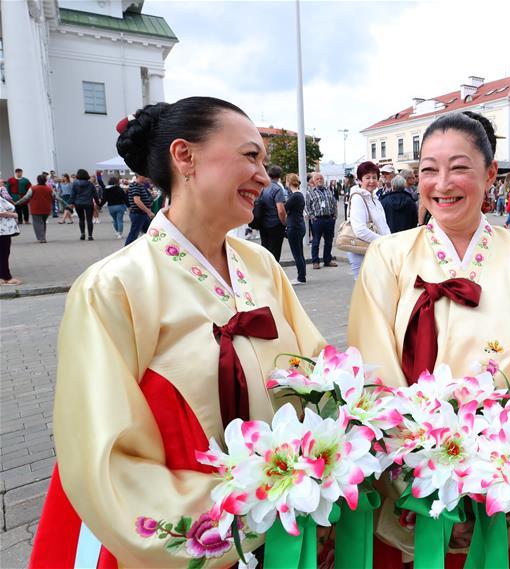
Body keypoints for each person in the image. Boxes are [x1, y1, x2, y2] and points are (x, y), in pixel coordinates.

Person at [29, 96, 326, 568]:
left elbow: (318, 368)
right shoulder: (113, 287)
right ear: (184, 156)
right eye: (250, 156)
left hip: (291, 522)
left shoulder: (261, 265)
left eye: (264, 162)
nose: (264, 177)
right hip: (218, 533)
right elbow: (107, 459)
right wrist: (238, 516)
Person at [348, 111, 510, 567]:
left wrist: (497, 467)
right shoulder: (389, 255)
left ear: (489, 175)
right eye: (429, 169)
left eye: (459, 167)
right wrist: (420, 467)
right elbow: (372, 364)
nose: (442, 183)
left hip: (502, 469)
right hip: (410, 470)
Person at [346, 161, 390, 280]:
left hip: (375, 249)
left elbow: (383, 225)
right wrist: (384, 241)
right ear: (360, 180)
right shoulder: (358, 198)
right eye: (367, 177)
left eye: (374, 177)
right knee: (366, 291)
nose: (371, 181)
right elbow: (359, 230)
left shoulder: (373, 198)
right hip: (362, 251)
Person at [307, 171, 338, 269]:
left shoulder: (329, 190)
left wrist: (334, 216)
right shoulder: (310, 193)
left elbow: (334, 203)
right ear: (314, 181)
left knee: (329, 241)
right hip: (318, 220)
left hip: (329, 219)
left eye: (321, 179)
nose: (319, 180)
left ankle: (327, 260)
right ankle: (315, 261)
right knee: (316, 241)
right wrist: (312, 217)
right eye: (317, 179)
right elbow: (307, 206)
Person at [258, 165, 287, 262]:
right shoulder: (277, 189)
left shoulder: (262, 187)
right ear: (279, 176)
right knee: (275, 253)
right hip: (275, 225)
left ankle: (265, 273)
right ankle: (273, 274)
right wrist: (284, 223)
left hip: (262, 223)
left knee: (265, 250)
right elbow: (281, 210)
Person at [284, 173, 307, 284]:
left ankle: (301, 277)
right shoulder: (299, 195)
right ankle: (302, 275)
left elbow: (284, 208)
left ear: (289, 182)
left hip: (294, 226)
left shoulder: (294, 196)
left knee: (297, 254)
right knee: (300, 253)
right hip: (299, 225)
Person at [18, 173, 54, 243]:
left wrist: (17, 202)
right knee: (43, 223)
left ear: (37, 180)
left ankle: (42, 238)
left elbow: (26, 197)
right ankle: (43, 237)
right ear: (45, 180)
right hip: (46, 209)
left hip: (36, 209)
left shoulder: (33, 188)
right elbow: (55, 196)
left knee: (37, 223)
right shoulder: (49, 189)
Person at [0, 184, 22, 285]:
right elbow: (1, 212)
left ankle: (2, 277)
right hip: (2, 230)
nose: (2, 184)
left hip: (4, 230)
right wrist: (13, 215)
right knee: (4, 254)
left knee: (3, 253)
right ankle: (6, 277)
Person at [124, 174, 153, 245]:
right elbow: (137, 200)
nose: (147, 178)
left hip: (142, 214)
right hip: (138, 214)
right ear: (140, 176)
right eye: (145, 176)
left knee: (149, 232)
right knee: (134, 234)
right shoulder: (135, 185)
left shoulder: (140, 185)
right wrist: (148, 211)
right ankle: (126, 250)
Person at [71, 169, 98, 241]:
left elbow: (73, 194)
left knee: (81, 219)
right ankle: (90, 235)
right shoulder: (90, 184)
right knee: (89, 219)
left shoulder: (75, 183)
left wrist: (71, 203)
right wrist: (98, 204)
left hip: (78, 203)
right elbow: (95, 195)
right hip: (88, 203)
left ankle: (82, 234)